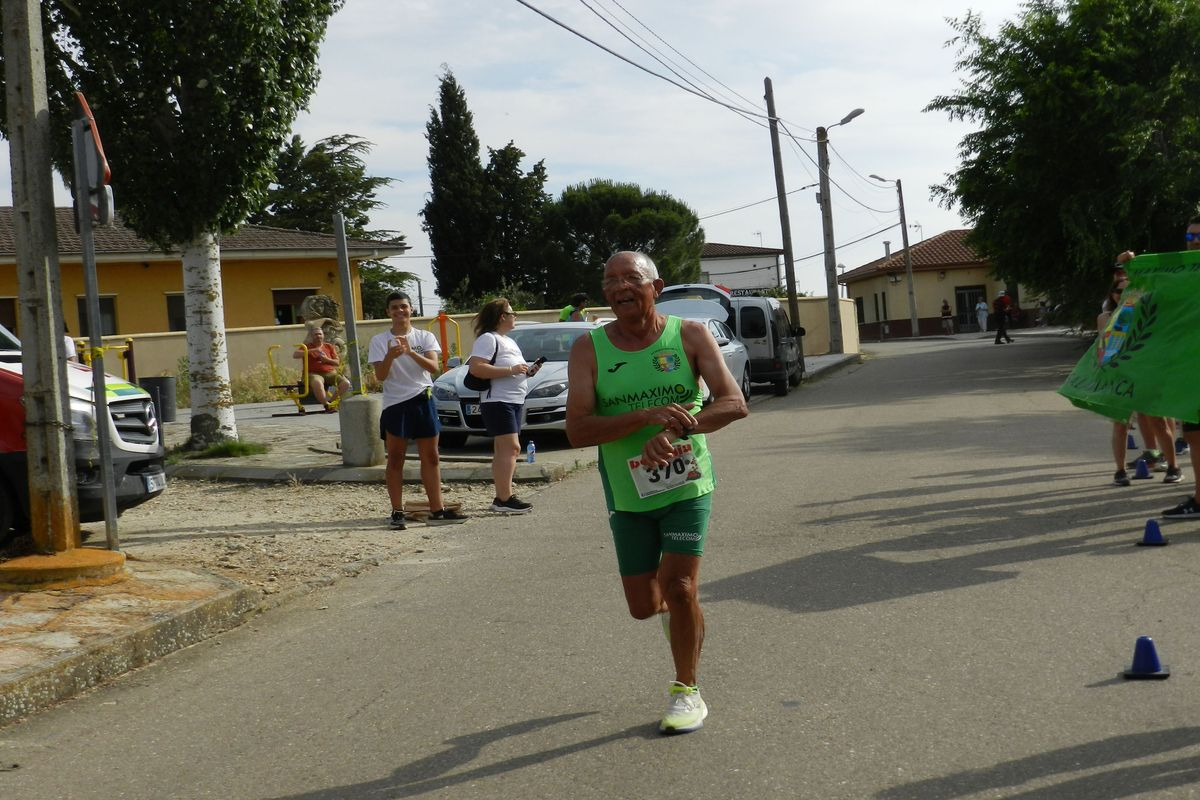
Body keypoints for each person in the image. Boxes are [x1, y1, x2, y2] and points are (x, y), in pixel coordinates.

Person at [565, 250, 748, 735]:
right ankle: (679, 618)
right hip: (628, 493)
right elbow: (578, 430)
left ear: (656, 287)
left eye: (631, 278)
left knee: (681, 587)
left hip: (687, 483)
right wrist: (645, 417)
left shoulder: (689, 335)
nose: (620, 287)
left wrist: (675, 431)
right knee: (644, 606)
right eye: (610, 281)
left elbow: (733, 403)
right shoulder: (589, 348)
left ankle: (687, 689)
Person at [368, 292, 468, 530]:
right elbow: (380, 376)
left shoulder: (425, 336)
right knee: (395, 458)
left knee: (431, 457)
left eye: (403, 306)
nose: (399, 311)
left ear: (411, 309)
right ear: (388, 312)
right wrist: (391, 356)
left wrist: (411, 352)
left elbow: (433, 367)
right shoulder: (379, 340)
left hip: (423, 399)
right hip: (395, 404)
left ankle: (437, 510)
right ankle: (397, 512)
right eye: (394, 307)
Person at [1099, 273, 1182, 486]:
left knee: (1159, 422)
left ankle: (1173, 467)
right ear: (1112, 294)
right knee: (1120, 424)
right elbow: (1103, 348)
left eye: (1128, 290)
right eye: (1118, 290)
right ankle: (1119, 472)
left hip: (1146, 374)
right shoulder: (1106, 317)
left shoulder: (1147, 313)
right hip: (1121, 377)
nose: (1122, 294)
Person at [468, 298, 543, 514]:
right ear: (502, 317)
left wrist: (527, 372)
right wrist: (511, 370)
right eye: (512, 313)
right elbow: (476, 368)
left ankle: (502, 496)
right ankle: (505, 498)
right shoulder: (488, 339)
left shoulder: (507, 340)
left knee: (504, 449)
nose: (515, 316)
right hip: (498, 401)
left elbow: (512, 369)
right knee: (512, 448)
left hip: (512, 400)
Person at [1162, 214, 1200, 517]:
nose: (1194, 241)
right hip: (1192, 371)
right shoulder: (1182, 273)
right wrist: (1132, 267)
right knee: (1194, 436)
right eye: (1189, 236)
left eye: (1199, 236)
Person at [294, 326, 351, 413]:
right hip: (313, 373)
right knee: (317, 383)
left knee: (346, 383)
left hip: (330, 372)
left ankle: (331, 403)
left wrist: (326, 360)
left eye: (320, 334)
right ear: (312, 336)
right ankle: (326, 405)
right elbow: (295, 355)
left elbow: (337, 362)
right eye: (316, 334)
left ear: (323, 335)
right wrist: (313, 351)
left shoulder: (329, 347)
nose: (318, 336)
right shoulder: (307, 347)